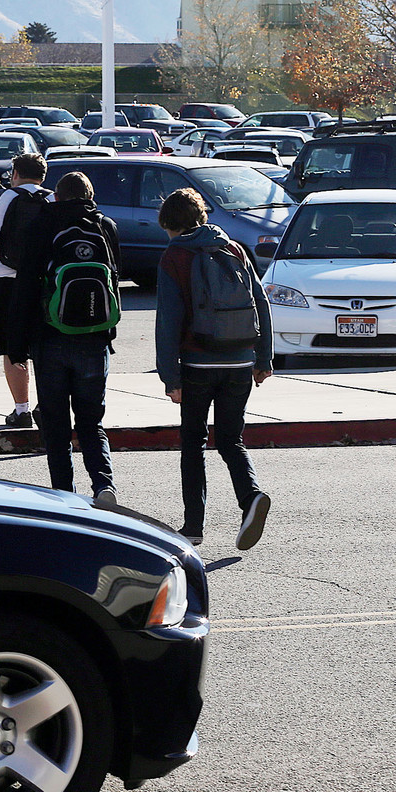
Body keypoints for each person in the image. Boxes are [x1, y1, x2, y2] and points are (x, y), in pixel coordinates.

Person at [155, 188, 273, 550]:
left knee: (193, 443)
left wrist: (169, 377)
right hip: (240, 361)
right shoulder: (233, 248)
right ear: (202, 217)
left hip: (197, 363)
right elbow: (261, 303)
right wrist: (264, 358)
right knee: (230, 439)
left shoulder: (175, 256)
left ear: (168, 224)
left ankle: (193, 527)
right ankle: (250, 497)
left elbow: (168, 322)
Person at [5, 171, 122, 502]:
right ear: (90, 195)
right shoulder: (105, 226)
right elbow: (115, 281)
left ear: (56, 197)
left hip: (50, 338)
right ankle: (103, 486)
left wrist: (16, 345)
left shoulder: (42, 225)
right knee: (91, 422)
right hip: (95, 339)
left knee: (56, 427)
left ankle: (65, 498)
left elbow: (25, 287)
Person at [0, 153, 51, 428]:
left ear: (15, 173)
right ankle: (47, 407)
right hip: (45, 285)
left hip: (5, 284)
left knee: (11, 349)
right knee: (45, 348)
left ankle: (21, 410)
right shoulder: (54, 200)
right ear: (43, 175)